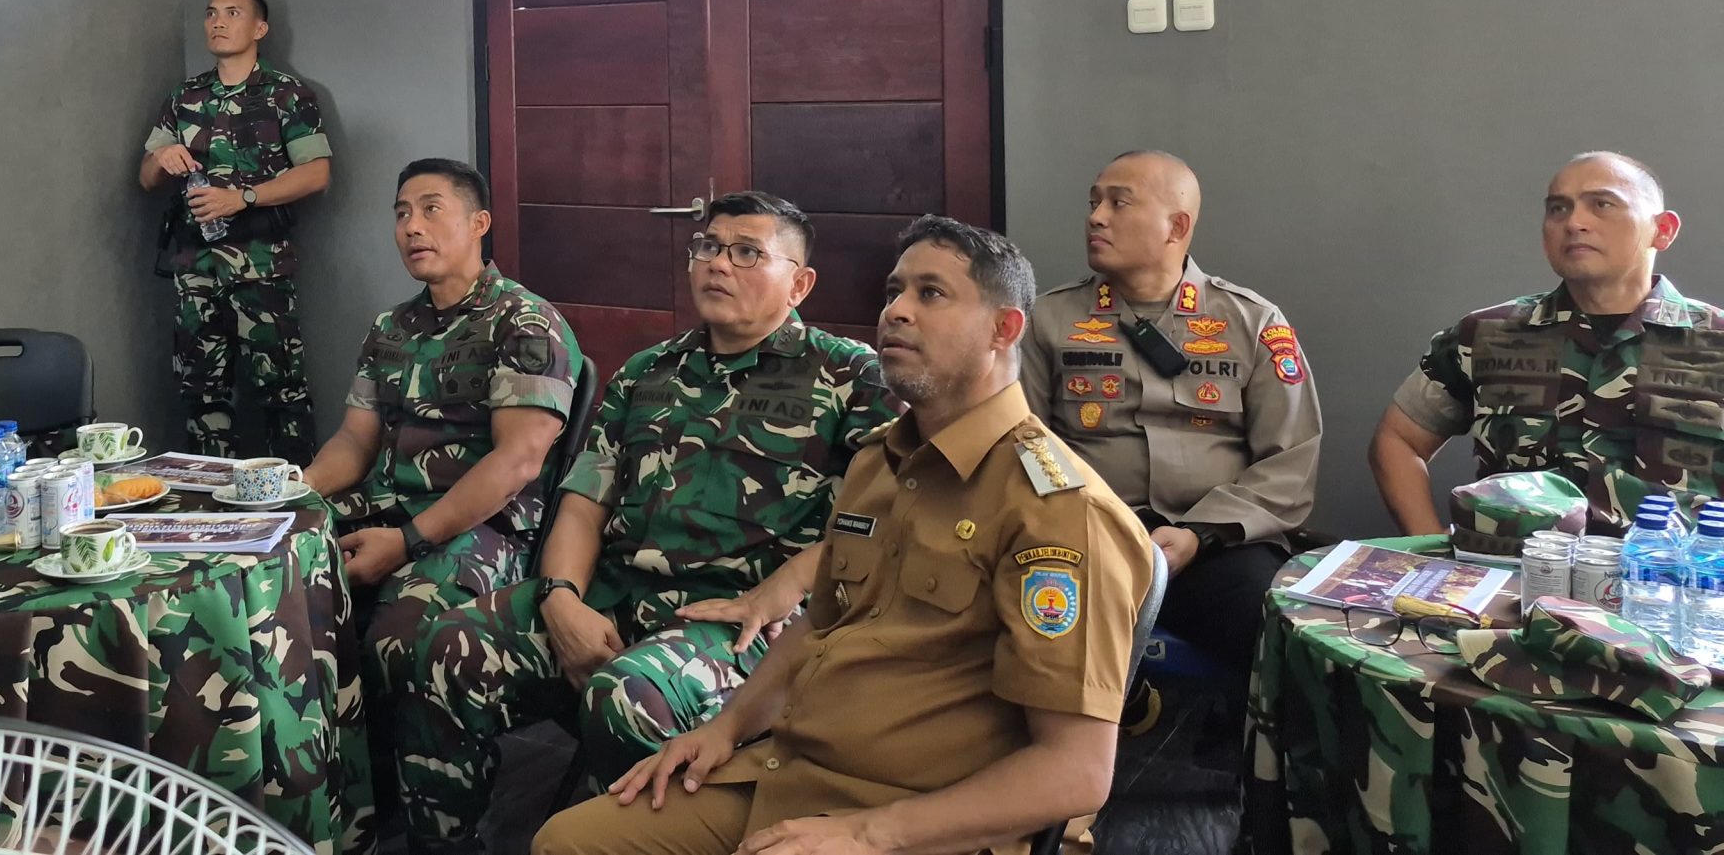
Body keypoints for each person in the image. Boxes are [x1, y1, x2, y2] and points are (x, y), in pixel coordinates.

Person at [536, 216, 1153, 855]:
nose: (896, 311)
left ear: (1004, 329)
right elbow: (819, 622)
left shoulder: (1059, 511)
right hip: (795, 775)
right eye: (894, 291)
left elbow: (1076, 772)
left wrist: (868, 833)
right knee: (568, 842)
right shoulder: (880, 463)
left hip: (924, 822)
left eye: (931, 293)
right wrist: (726, 727)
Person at [395, 192, 894, 853]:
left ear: (799, 283)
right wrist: (561, 599)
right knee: (445, 643)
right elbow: (584, 503)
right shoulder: (647, 371)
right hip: (616, 596)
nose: (719, 263)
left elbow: (880, 523)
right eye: (708, 246)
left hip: (736, 628)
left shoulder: (853, 377)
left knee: (627, 696)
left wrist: (780, 591)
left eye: (747, 252)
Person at [298, 159, 579, 742]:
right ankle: (327, 774)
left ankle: (421, 793)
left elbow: (517, 461)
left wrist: (407, 541)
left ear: (479, 224)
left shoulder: (524, 322)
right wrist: (296, 492)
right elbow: (354, 441)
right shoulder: (391, 327)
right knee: (274, 583)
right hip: (383, 508)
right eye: (402, 213)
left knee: (397, 641)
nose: (412, 227)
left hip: (484, 527)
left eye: (431, 210)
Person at [1021, 151, 1320, 676]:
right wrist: (1078, 521)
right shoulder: (1047, 320)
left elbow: (1291, 461)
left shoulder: (1252, 322)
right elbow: (1024, 441)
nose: (1096, 217)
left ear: (1176, 227)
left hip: (1218, 545)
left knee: (1271, 629)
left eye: (1118, 203)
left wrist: (1201, 534)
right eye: (1094, 203)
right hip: (1087, 536)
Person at [1371, 151, 1724, 535]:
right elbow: (1398, 439)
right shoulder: (1487, 334)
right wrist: (1431, 549)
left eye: (1602, 204)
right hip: (1514, 569)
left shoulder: (1716, 342)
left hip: (1666, 571)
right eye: (1558, 209)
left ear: (1663, 229)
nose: (1574, 222)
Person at [141, 0, 332, 461]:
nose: (218, 22)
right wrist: (162, 157)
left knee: (282, 394)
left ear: (259, 28)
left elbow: (316, 173)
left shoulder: (286, 94)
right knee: (201, 395)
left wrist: (242, 198)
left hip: (261, 268)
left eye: (232, 13)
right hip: (195, 269)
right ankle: (208, 497)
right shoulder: (185, 96)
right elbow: (145, 177)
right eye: (211, 14)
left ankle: (298, 494)